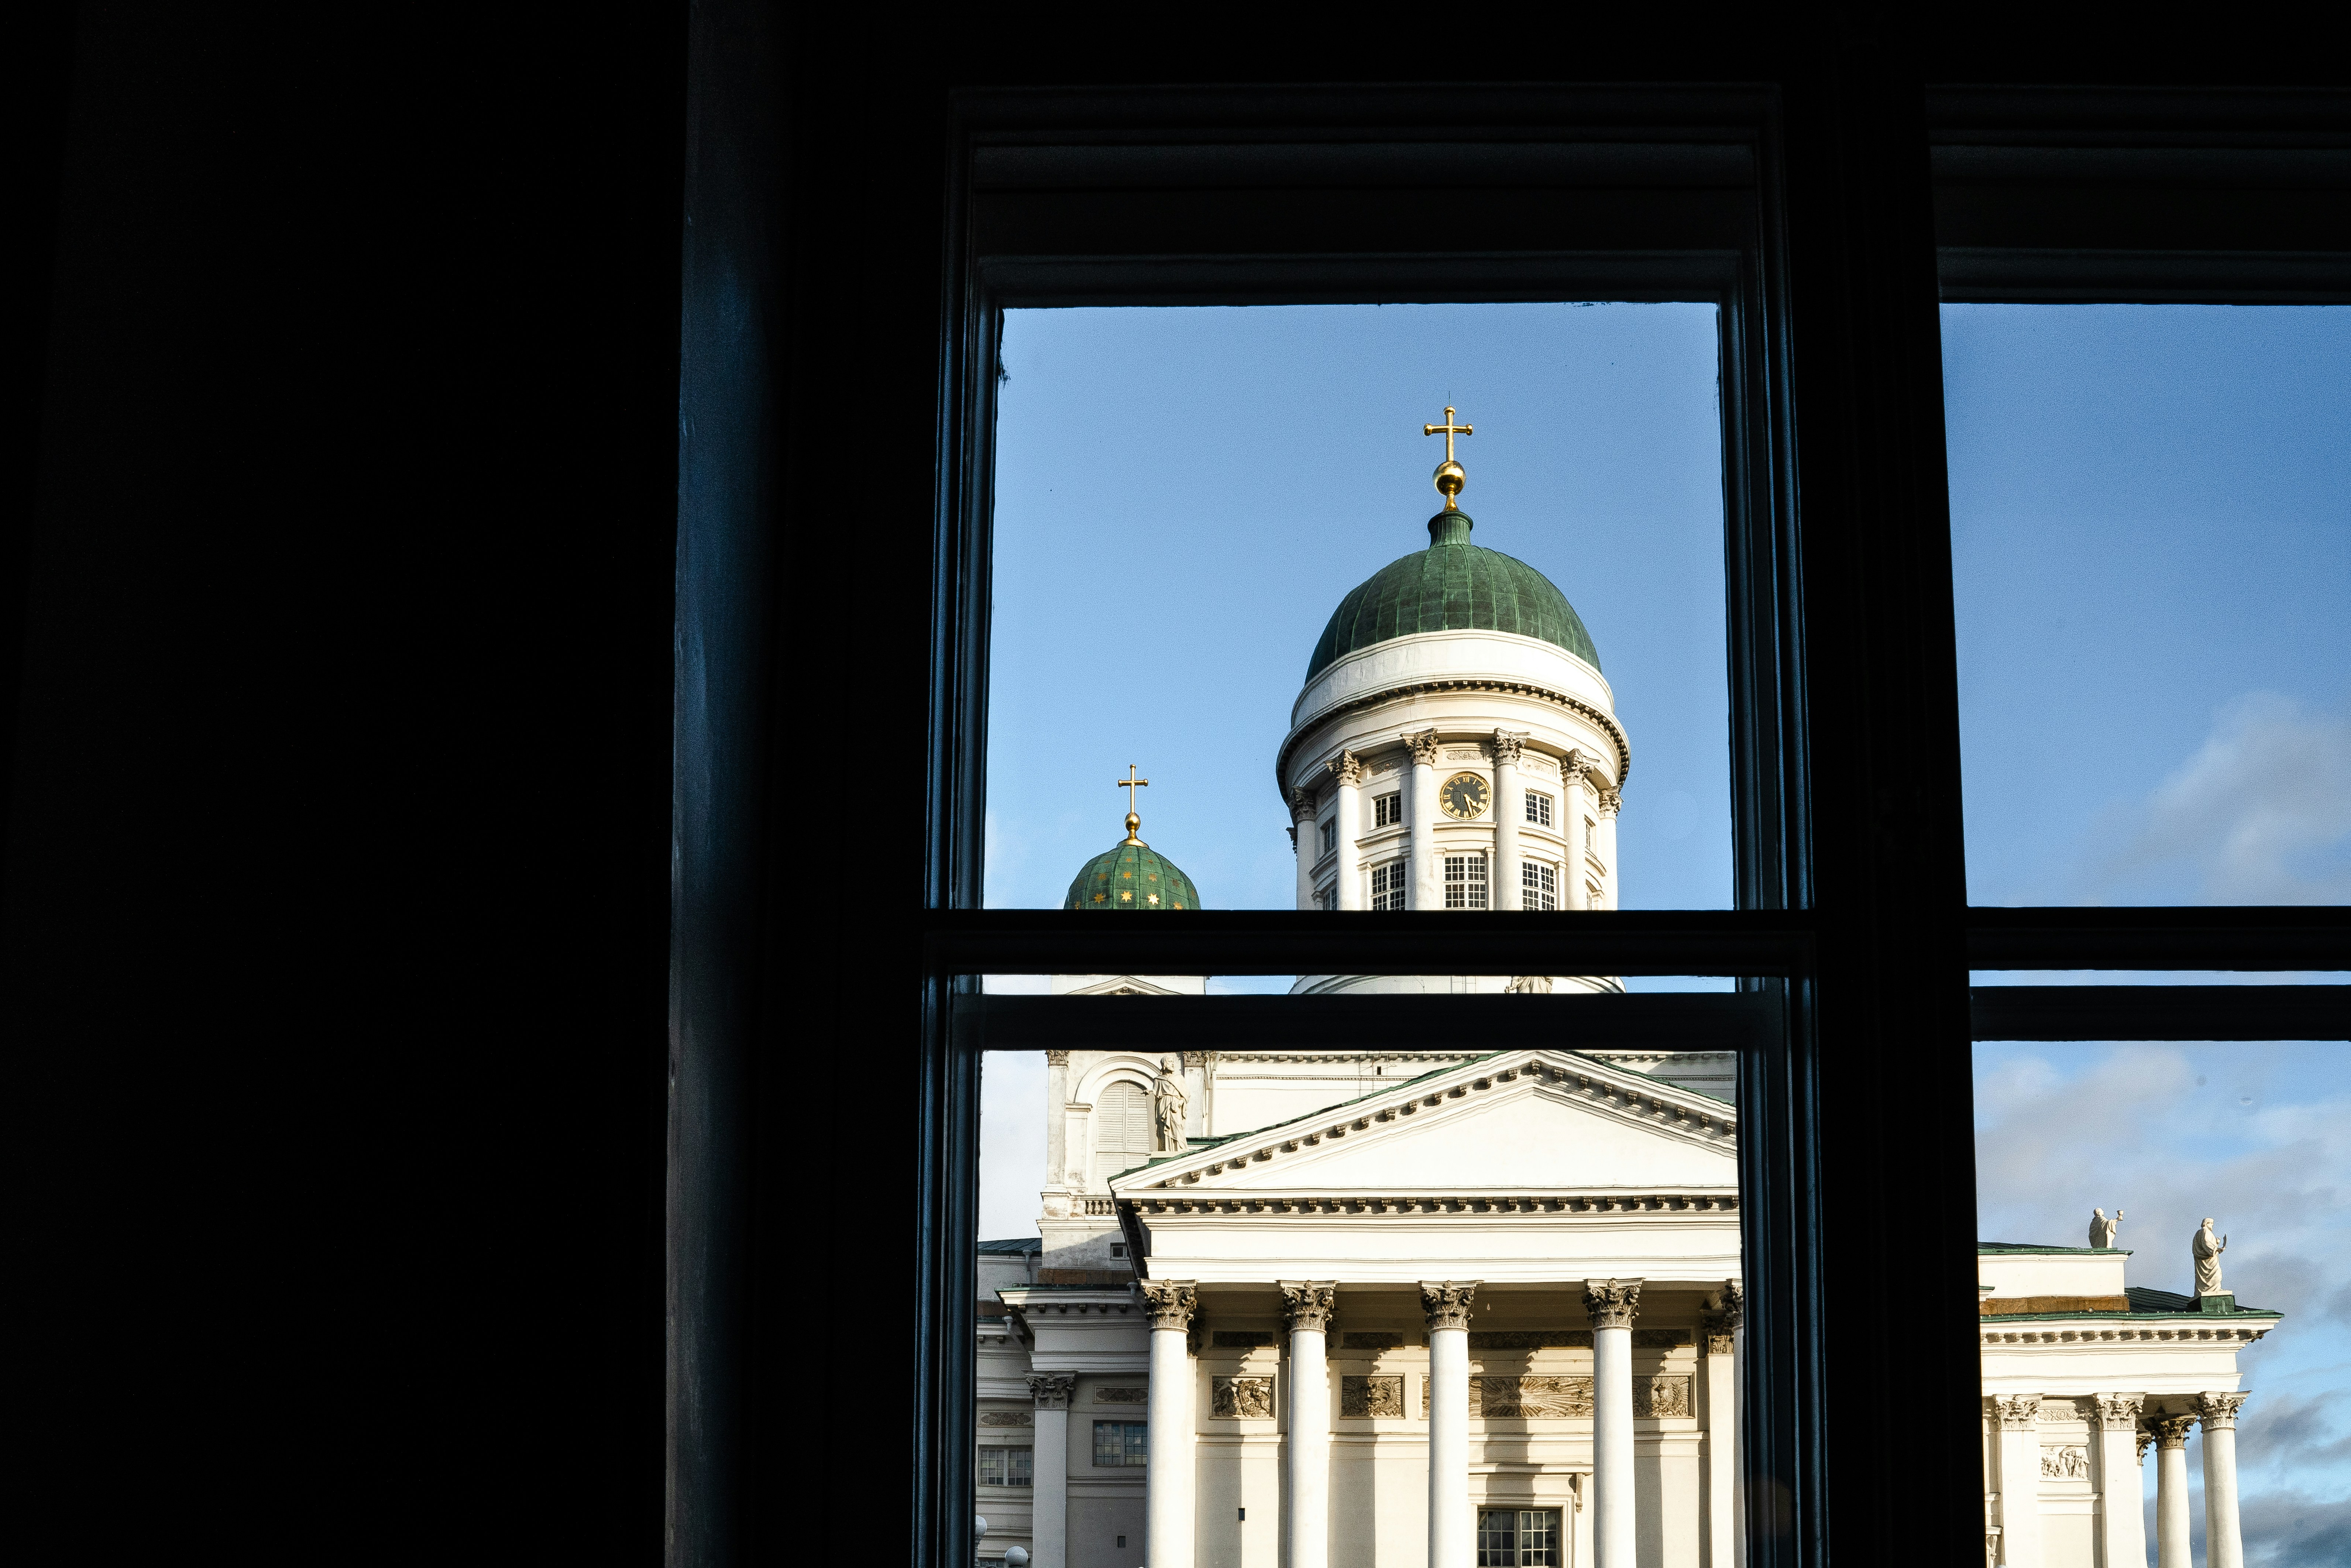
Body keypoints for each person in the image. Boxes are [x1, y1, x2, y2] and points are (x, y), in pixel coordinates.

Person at [2193, 1217, 2228, 1296]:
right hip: (2209, 1261)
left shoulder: (2199, 1233)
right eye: (2211, 1223)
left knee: (2212, 1275)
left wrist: (2216, 1244)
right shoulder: (2206, 1231)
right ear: (2207, 1223)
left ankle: (2211, 1289)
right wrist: (2217, 1249)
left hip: (2206, 1259)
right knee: (2216, 1274)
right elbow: (2206, 1244)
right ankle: (2215, 1290)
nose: (2212, 1225)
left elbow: (2205, 1245)